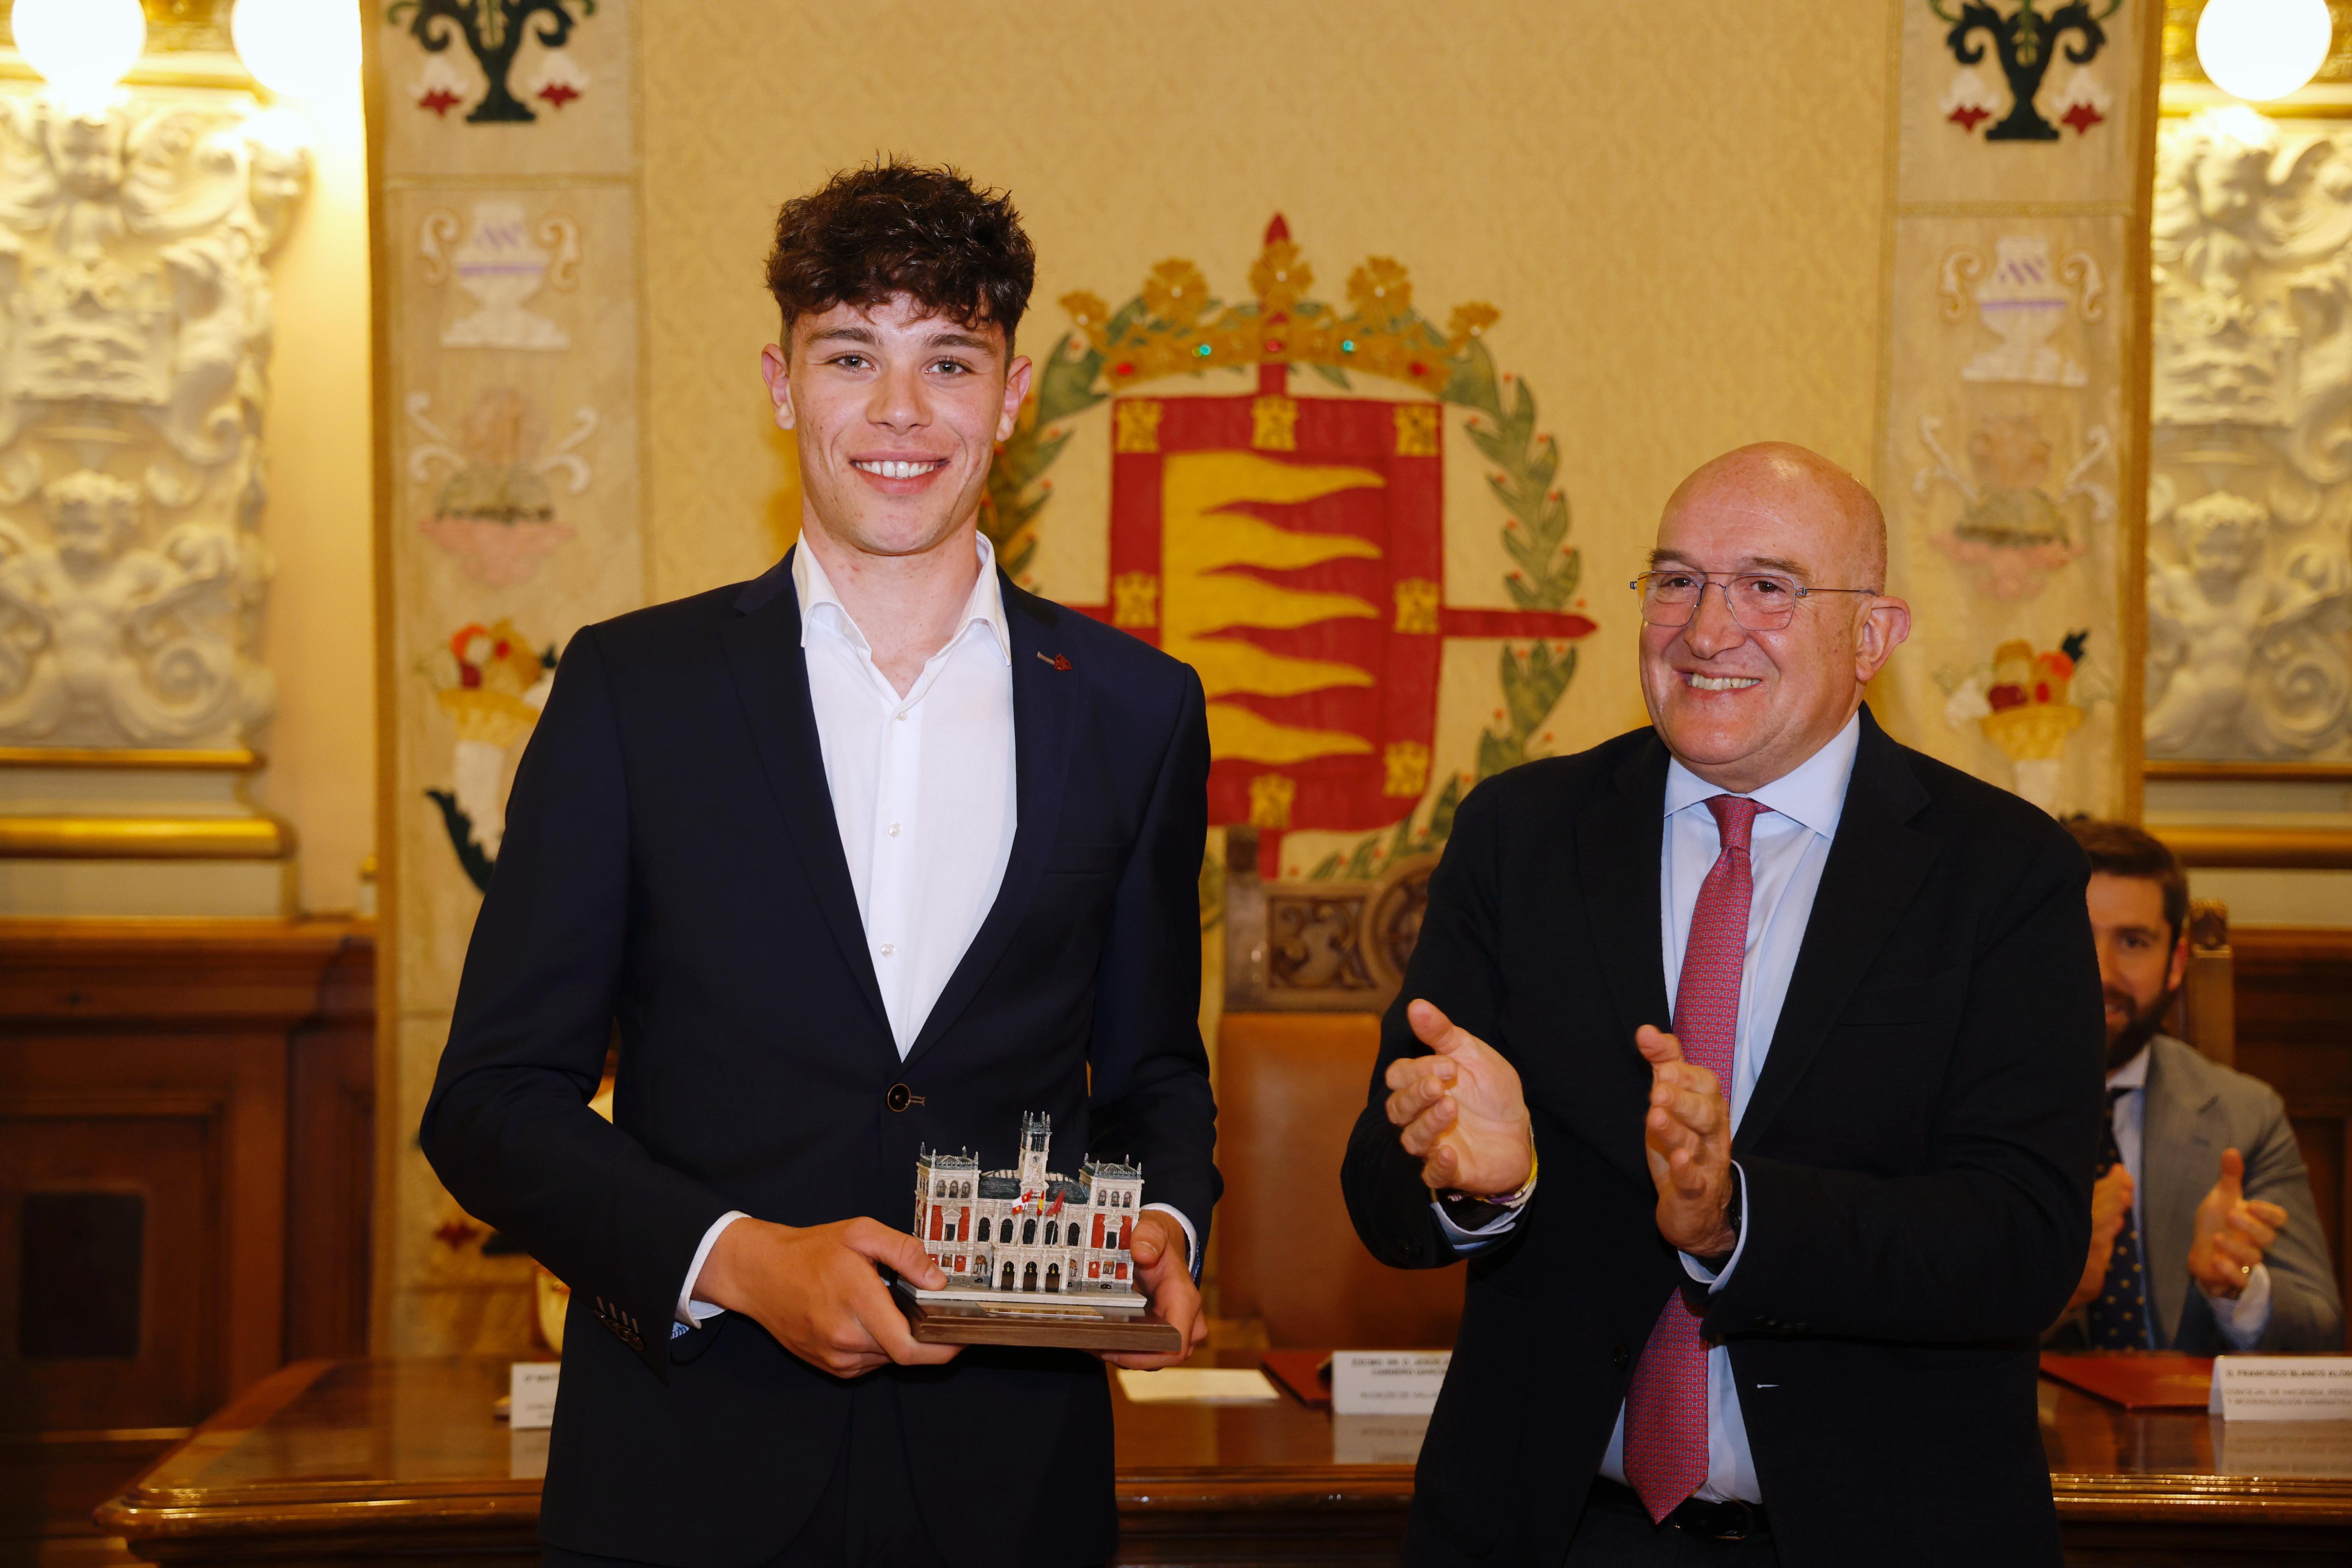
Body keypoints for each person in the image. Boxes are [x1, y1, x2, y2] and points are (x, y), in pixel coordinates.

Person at [422, 160, 1218, 1568]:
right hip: (685, 1470)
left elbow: (1152, 1073)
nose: (900, 409)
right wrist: (741, 1257)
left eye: (948, 360)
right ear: (781, 385)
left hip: (1007, 1485)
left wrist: (1161, 1219)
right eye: (851, 355)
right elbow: (490, 1101)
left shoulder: (1135, 708)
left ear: (1012, 396)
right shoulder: (630, 690)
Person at [1341, 443, 2105, 1567]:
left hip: (1875, 1534)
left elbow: (2023, 1241)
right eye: (1675, 580)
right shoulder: (1520, 834)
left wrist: (1738, 1219)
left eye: (1767, 586)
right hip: (1552, 1532)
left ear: (1872, 635)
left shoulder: (2001, 871)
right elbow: (1379, 1186)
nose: (1705, 630)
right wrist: (1479, 1187)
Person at [2047, 818, 2343, 1354]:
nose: (2101, 972)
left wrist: (2237, 1288)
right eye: (2074, 936)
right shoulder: (1959, 1103)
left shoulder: (2245, 1114)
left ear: (2175, 963)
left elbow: (2319, 1325)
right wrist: (2051, 1286)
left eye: (2132, 942)